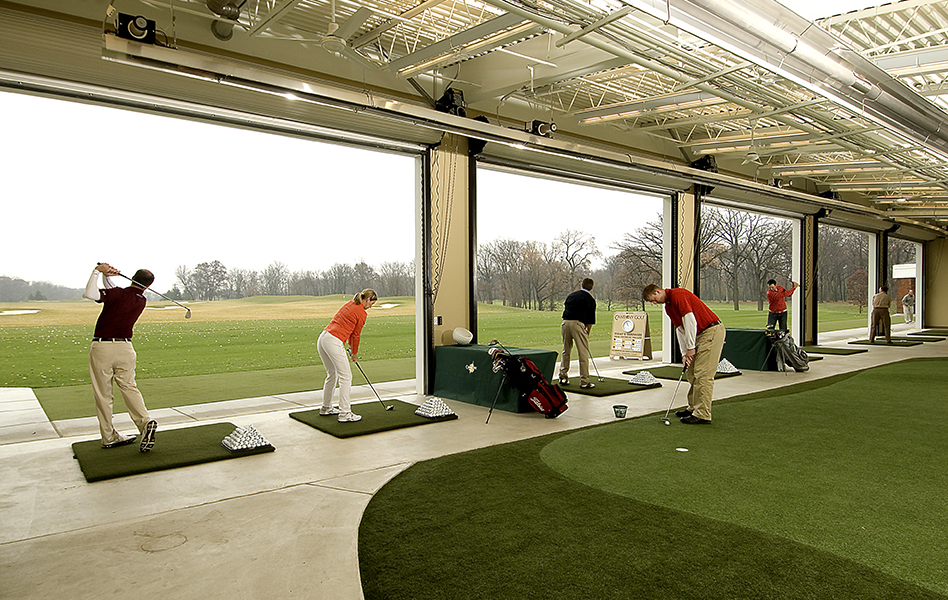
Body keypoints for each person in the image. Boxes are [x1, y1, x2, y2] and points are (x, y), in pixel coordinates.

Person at [83, 262, 158, 451]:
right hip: (125, 349)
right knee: (129, 387)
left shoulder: (118, 295)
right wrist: (108, 276)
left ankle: (108, 437)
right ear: (147, 286)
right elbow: (115, 293)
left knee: (103, 394)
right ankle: (145, 422)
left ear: (132, 278)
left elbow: (91, 294)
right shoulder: (141, 300)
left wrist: (97, 272)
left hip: (102, 348)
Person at [643, 284, 725, 424]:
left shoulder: (678, 295)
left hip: (711, 331)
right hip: (699, 335)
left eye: (653, 299)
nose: (654, 303)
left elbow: (690, 321)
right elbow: (680, 329)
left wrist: (691, 347)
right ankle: (693, 407)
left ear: (657, 291)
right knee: (692, 372)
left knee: (703, 374)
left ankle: (703, 414)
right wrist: (684, 353)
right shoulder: (668, 307)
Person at [317, 289, 378, 422]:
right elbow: (355, 335)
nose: (370, 307)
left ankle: (326, 407)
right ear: (367, 300)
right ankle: (345, 414)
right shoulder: (361, 312)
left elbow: (349, 331)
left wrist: (350, 348)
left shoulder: (351, 304)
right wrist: (354, 354)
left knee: (332, 374)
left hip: (323, 338)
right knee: (346, 376)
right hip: (333, 341)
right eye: (371, 304)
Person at [558, 278, 596, 389]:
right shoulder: (590, 299)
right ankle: (584, 381)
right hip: (578, 324)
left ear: (582, 285)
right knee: (583, 353)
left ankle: (563, 376)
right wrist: (587, 334)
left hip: (565, 323)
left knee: (566, 350)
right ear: (591, 287)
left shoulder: (571, 295)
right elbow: (589, 322)